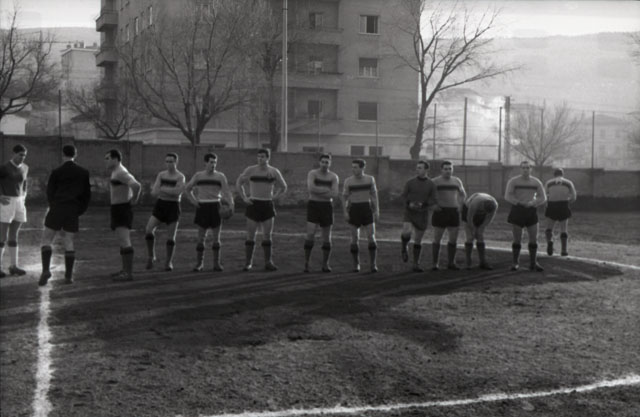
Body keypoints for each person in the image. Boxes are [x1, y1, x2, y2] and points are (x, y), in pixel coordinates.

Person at [38, 145, 92, 286]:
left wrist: (53, 206)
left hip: (57, 207)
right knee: (69, 241)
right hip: (72, 209)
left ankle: (45, 270)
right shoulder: (83, 172)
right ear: (75, 154)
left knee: (46, 239)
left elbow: (50, 192)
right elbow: (87, 195)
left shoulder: (56, 172)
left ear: (63, 154)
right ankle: (68, 276)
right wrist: (79, 210)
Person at [236, 148, 287, 271]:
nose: (260, 159)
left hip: (267, 205)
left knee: (267, 235)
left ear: (268, 158)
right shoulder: (250, 170)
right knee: (250, 235)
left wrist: (275, 197)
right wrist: (244, 198)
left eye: (263, 156)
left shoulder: (274, 171)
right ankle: (248, 263)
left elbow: (284, 187)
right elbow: (239, 183)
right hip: (253, 204)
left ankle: (268, 262)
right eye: (258, 156)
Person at [184, 153, 234, 272]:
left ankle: (216, 264)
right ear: (205, 163)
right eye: (211, 162)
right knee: (201, 237)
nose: (213, 165)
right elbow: (187, 189)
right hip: (202, 206)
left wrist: (231, 204)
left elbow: (226, 191)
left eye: (215, 162)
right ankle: (199, 264)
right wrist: (193, 201)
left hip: (216, 206)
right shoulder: (198, 176)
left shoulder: (220, 176)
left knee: (216, 237)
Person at [144, 153, 185, 271]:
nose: (169, 164)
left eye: (171, 161)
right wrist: (168, 190)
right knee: (148, 230)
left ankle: (168, 262)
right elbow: (154, 192)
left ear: (176, 162)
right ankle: (151, 256)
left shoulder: (180, 176)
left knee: (171, 237)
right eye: (167, 161)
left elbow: (177, 192)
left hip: (173, 207)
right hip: (161, 205)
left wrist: (162, 188)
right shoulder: (161, 175)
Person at [105, 149, 142, 281]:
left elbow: (136, 186)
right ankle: (124, 270)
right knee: (122, 240)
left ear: (115, 159)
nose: (106, 161)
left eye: (108, 158)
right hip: (118, 208)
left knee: (125, 240)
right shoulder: (116, 171)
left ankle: (128, 273)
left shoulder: (120, 172)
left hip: (122, 208)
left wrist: (134, 200)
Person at [505, 160, 547, 271]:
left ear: (531, 169)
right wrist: (519, 202)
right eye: (523, 168)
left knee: (533, 239)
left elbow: (543, 197)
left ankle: (533, 263)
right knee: (517, 239)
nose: (525, 170)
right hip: (517, 210)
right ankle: (515, 263)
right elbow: (508, 196)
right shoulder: (513, 181)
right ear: (520, 169)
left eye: (527, 168)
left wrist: (533, 203)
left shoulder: (536, 182)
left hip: (531, 211)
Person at [341, 159, 380, 273]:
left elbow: (374, 196)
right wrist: (345, 212)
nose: (353, 169)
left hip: (366, 209)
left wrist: (377, 210)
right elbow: (344, 197)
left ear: (363, 168)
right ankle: (356, 264)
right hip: (354, 209)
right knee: (354, 238)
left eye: (356, 167)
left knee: (371, 237)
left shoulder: (370, 179)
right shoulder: (348, 181)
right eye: (352, 167)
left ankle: (373, 264)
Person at [304, 153, 340, 273]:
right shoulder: (312, 173)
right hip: (313, 205)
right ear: (319, 162)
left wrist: (318, 191)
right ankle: (307, 263)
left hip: (326, 207)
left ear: (330, 163)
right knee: (310, 234)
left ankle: (325, 264)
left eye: (327, 162)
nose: (324, 164)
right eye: (323, 162)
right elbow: (311, 188)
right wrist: (326, 190)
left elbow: (335, 194)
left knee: (327, 237)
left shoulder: (333, 176)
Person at [399, 160, 437, 272]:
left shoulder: (431, 184)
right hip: (409, 212)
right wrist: (409, 203)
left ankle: (416, 264)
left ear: (426, 169)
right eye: (417, 167)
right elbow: (403, 196)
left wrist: (424, 204)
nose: (417, 169)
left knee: (418, 240)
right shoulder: (410, 182)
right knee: (406, 231)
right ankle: (404, 247)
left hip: (422, 213)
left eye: (420, 168)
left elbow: (433, 199)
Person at [431, 161, 466, 270]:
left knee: (453, 239)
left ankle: (451, 263)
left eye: (450, 169)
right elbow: (427, 195)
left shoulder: (457, 181)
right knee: (437, 238)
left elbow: (463, 194)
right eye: (445, 169)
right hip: (440, 212)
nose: (448, 171)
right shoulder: (434, 181)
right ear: (441, 170)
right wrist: (433, 205)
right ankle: (435, 264)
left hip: (453, 212)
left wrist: (461, 205)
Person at [0, 144, 29, 278]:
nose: (22, 157)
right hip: (6, 201)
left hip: (19, 202)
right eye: (20, 155)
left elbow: (25, 183)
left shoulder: (25, 167)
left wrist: (24, 196)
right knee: (2, 236)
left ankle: (13, 266)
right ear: (14, 153)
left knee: (14, 235)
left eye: (24, 155)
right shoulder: (4, 167)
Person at [544, 168, 577, 257]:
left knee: (549, 228)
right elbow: (574, 197)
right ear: (562, 174)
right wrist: (568, 202)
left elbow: (544, 196)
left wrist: (548, 202)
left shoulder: (549, 183)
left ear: (554, 174)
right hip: (563, 205)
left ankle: (550, 241)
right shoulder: (568, 183)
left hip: (552, 205)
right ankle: (564, 250)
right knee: (563, 229)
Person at [462, 192, 498, 270]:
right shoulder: (475, 204)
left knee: (480, 236)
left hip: (480, 215)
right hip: (468, 211)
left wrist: (480, 229)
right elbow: (469, 218)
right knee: (470, 237)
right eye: (482, 210)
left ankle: (482, 262)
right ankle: (468, 262)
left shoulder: (494, 205)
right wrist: (473, 229)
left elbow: (488, 220)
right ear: (482, 205)